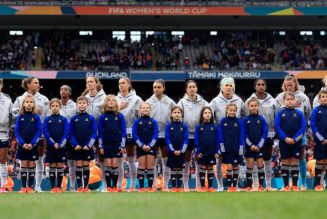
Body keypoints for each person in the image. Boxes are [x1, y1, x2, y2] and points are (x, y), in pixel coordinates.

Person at [13, 77, 49, 192]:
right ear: (28, 85)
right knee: (24, 161)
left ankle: (37, 186)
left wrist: (40, 112)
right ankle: (24, 187)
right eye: (35, 82)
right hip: (24, 135)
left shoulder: (44, 98)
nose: (38, 84)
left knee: (39, 159)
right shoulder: (19, 99)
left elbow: (49, 115)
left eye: (38, 82)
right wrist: (23, 109)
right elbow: (13, 114)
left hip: (39, 135)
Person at [275, 74, 311, 191]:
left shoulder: (303, 97)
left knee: (301, 157)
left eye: (291, 84)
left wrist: (301, 130)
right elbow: (275, 112)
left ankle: (303, 184)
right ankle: (286, 184)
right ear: (284, 85)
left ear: (296, 84)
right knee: (285, 159)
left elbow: (308, 113)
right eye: (287, 85)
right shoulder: (280, 97)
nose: (289, 87)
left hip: (299, 133)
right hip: (284, 135)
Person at [210, 77, 245, 191]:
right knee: (219, 161)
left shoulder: (239, 101)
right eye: (226, 85)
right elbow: (209, 117)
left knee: (236, 162)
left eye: (231, 85)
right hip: (221, 137)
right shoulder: (215, 101)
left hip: (235, 136)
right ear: (221, 87)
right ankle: (220, 185)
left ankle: (235, 185)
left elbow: (243, 117)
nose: (229, 87)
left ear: (233, 87)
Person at [245, 79, 277, 191]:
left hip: (267, 134)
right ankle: (254, 184)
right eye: (258, 84)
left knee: (267, 159)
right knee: (253, 160)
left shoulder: (272, 100)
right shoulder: (249, 100)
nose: (261, 86)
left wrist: (275, 130)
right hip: (252, 135)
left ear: (266, 86)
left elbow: (276, 115)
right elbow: (245, 116)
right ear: (255, 87)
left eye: (263, 84)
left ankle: (268, 185)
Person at [177, 80, 208, 191]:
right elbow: (177, 116)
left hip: (200, 134)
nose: (191, 89)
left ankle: (198, 185)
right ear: (186, 89)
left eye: (193, 87)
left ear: (197, 88)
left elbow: (208, 113)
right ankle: (185, 185)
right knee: (186, 160)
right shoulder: (181, 102)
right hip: (187, 135)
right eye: (189, 87)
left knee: (199, 160)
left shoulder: (203, 102)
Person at [146, 79, 175, 191]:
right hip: (153, 135)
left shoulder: (170, 102)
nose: (156, 89)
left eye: (158, 87)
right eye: (154, 87)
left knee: (166, 160)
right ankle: (153, 185)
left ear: (163, 88)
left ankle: (165, 185)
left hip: (166, 134)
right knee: (152, 161)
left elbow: (176, 113)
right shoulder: (149, 101)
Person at [116, 77, 143, 192]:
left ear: (129, 85)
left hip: (130, 131)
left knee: (131, 159)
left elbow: (140, 116)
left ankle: (132, 185)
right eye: (119, 83)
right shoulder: (115, 98)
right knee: (119, 160)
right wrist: (118, 107)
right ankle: (119, 185)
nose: (121, 85)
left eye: (123, 83)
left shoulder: (137, 99)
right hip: (117, 132)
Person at [81, 76, 107, 191]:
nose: (89, 84)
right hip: (87, 133)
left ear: (97, 84)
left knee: (102, 159)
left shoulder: (105, 97)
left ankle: (106, 186)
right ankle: (85, 185)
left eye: (91, 81)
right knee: (86, 160)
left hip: (101, 132)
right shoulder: (84, 98)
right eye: (87, 82)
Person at [98, 95, 126, 192]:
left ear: (116, 103)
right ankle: (108, 187)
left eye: (113, 100)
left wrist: (122, 145)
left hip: (117, 144)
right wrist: (101, 146)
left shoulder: (120, 116)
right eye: (108, 100)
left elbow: (123, 131)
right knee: (108, 165)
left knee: (115, 165)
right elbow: (100, 132)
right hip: (106, 144)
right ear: (105, 103)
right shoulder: (102, 117)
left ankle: (114, 187)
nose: (111, 101)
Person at [14, 94, 42, 193]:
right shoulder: (20, 116)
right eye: (27, 102)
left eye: (31, 102)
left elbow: (39, 131)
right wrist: (22, 143)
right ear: (23, 104)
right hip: (23, 145)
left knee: (31, 164)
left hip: (32, 145)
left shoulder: (36, 117)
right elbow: (17, 131)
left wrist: (32, 143)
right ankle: (23, 187)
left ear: (34, 104)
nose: (29, 104)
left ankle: (30, 187)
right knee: (24, 164)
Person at [69, 96, 97, 192]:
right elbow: (71, 133)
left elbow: (94, 133)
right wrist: (74, 144)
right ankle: (80, 187)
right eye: (80, 103)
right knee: (78, 165)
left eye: (84, 103)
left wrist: (89, 145)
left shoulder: (91, 118)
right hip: (76, 147)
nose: (82, 105)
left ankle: (85, 187)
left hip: (87, 146)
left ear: (87, 105)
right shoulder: (73, 118)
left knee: (85, 165)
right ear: (77, 105)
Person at [43, 98, 69, 193]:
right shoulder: (47, 120)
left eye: (56, 106)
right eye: (53, 106)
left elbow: (66, 132)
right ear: (50, 107)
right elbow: (46, 132)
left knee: (60, 165)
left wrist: (61, 143)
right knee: (52, 165)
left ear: (60, 107)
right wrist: (53, 143)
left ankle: (59, 186)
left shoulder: (64, 119)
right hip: (51, 146)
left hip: (61, 146)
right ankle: (53, 187)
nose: (54, 108)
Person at [132, 102, 159, 192]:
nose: (145, 109)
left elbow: (155, 135)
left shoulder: (153, 121)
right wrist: (142, 145)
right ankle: (142, 187)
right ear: (140, 110)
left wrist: (150, 145)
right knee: (142, 166)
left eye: (147, 108)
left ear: (150, 110)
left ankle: (151, 187)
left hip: (151, 147)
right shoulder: (137, 121)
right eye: (143, 108)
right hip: (141, 147)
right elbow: (134, 134)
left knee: (150, 165)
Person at [243, 98, 268, 192]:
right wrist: (250, 145)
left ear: (258, 107)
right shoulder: (246, 120)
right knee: (249, 165)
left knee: (260, 165)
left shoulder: (262, 119)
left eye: (255, 106)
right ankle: (249, 185)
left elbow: (265, 132)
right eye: (251, 106)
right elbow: (244, 134)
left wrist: (259, 145)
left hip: (260, 147)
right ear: (248, 107)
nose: (253, 107)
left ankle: (261, 185)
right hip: (250, 147)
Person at [219, 103, 244, 192]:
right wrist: (221, 146)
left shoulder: (239, 121)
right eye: (230, 110)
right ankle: (230, 186)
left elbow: (242, 135)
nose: (232, 112)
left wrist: (241, 147)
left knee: (236, 167)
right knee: (229, 167)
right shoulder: (223, 121)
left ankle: (235, 186)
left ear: (236, 111)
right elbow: (220, 134)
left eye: (234, 110)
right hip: (226, 149)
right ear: (227, 110)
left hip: (236, 148)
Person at [194, 107, 219, 192]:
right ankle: (203, 187)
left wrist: (217, 151)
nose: (207, 114)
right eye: (205, 113)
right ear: (202, 115)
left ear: (211, 115)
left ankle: (210, 187)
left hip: (212, 152)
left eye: (209, 113)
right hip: (202, 152)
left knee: (210, 168)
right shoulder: (198, 127)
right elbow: (196, 140)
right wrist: (198, 151)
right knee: (203, 167)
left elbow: (217, 140)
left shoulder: (214, 127)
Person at [165, 106, 189, 192]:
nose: (177, 114)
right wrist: (172, 150)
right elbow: (167, 139)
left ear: (182, 114)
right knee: (173, 168)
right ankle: (174, 187)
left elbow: (186, 139)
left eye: (178, 112)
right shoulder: (168, 126)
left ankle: (179, 187)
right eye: (175, 112)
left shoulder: (184, 126)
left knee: (180, 168)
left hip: (181, 152)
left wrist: (182, 150)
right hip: (172, 152)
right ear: (171, 114)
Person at [59, 85, 77, 192]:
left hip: (71, 137)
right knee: (59, 163)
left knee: (71, 163)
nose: (63, 91)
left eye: (66, 89)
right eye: (61, 89)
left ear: (70, 93)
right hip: (59, 137)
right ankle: (59, 186)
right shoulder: (55, 104)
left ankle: (72, 187)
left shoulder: (75, 106)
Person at [310, 90, 327, 191]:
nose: (325, 98)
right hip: (320, 141)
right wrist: (321, 139)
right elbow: (313, 125)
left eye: (326, 96)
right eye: (323, 96)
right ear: (319, 99)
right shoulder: (316, 110)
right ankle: (317, 184)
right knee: (320, 161)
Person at [0, 79, 13, 192]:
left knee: (3, 160)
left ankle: (2, 186)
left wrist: (7, 129)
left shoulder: (7, 99)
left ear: (1, 85)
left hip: (3, 133)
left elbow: (11, 116)